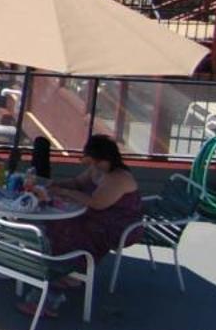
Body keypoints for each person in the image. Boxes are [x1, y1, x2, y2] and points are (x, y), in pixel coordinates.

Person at [26, 135, 142, 315]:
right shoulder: (96, 170)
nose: (88, 160)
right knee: (55, 223)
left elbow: (97, 202)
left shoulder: (118, 178)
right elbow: (77, 183)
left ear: (101, 157)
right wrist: (51, 185)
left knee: (68, 230)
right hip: (94, 216)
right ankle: (59, 269)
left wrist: (65, 192)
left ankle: (67, 274)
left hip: (115, 227)